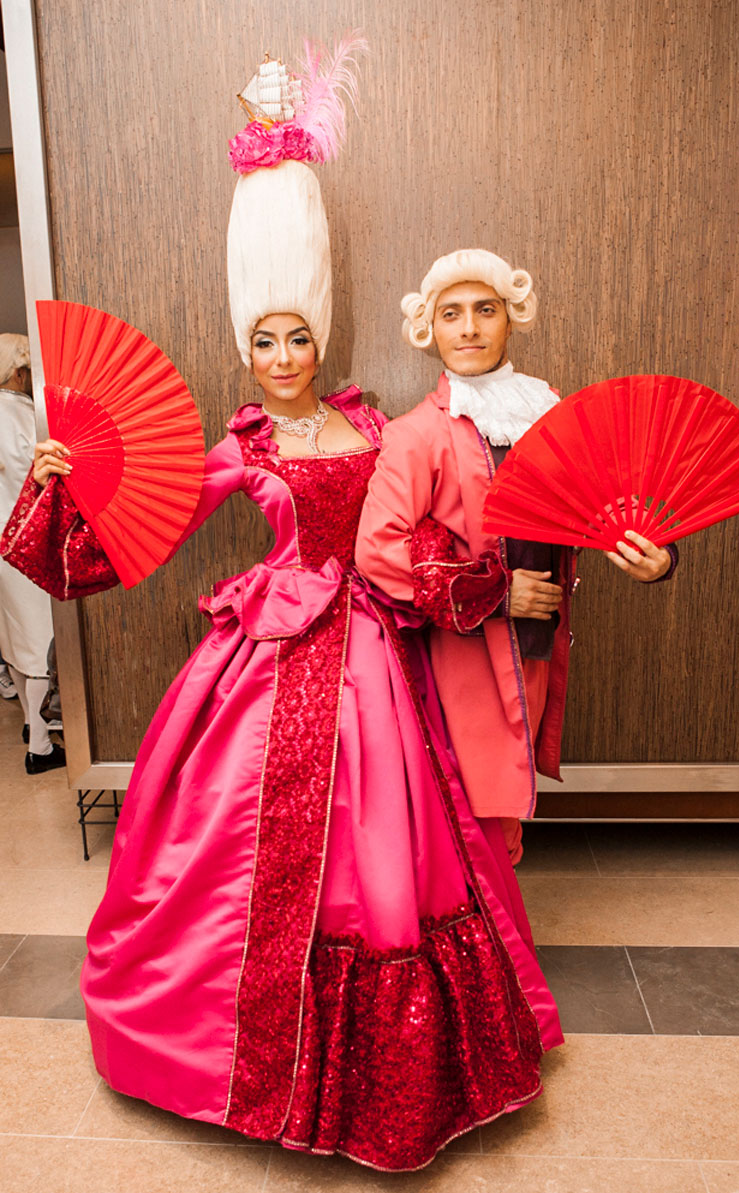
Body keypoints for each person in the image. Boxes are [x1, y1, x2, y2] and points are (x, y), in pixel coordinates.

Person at [3, 82, 562, 1171]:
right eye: (265, 339)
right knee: (243, 838)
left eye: (297, 335)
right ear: (248, 351)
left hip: (379, 644)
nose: (284, 353)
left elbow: (419, 521)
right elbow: (133, 536)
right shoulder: (242, 447)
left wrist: (488, 575)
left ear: (318, 339)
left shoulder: (373, 422)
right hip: (274, 647)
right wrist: (60, 481)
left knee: (396, 841)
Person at [356, 250, 677, 863]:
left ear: (510, 318)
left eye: (485, 310)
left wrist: (658, 556)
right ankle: (483, 918)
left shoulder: (548, 409)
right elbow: (377, 550)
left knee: (505, 792)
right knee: (476, 797)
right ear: (430, 328)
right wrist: (497, 593)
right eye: (451, 314)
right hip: (462, 649)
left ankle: (493, 911)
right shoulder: (416, 433)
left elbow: (607, 500)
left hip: (536, 634)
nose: (469, 328)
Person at [0, 333, 65, 773]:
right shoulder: (26, 416)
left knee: (15, 641)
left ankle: (29, 724)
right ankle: (40, 747)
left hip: (0, 546)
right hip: (26, 541)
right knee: (42, 643)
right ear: (20, 373)